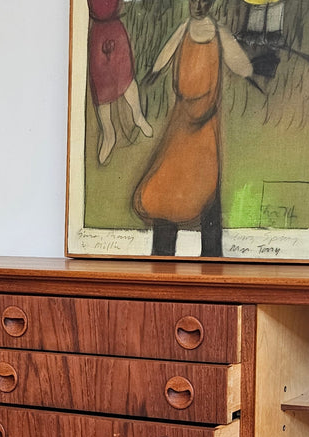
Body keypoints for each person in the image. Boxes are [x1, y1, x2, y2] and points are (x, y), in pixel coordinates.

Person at [132, 0, 253, 257]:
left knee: (207, 187)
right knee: (167, 182)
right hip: (182, 122)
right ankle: (162, 255)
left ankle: (211, 259)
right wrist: (154, 72)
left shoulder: (220, 34)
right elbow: (166, 54)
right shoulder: (184, 29)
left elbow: (241, 65)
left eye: (204, 0)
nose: (198, 4)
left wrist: (252, 71)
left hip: (206, 127)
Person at [87, 0, 152, 165]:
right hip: (98, 33)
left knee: (127, 78)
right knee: (101, 88)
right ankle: (109, 135)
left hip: (115, 30)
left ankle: (138, 116)